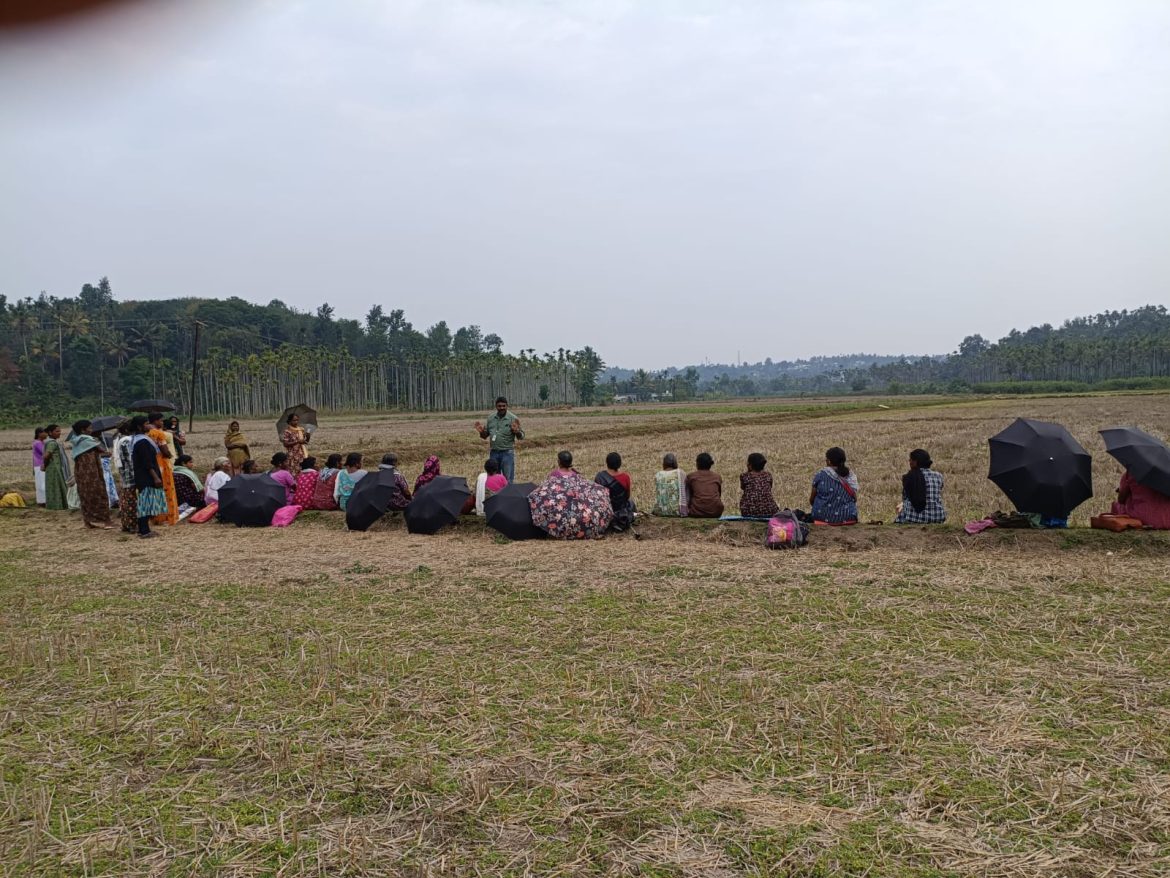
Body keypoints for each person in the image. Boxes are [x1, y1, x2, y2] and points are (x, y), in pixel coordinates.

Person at [69, 420, 114, 529]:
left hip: (81, 472)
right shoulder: (88, 440)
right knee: (99, 493)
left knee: (85, 495)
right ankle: (106, 522)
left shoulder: (76, 441)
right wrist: (106, 451)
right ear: (83, 430)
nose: (92, 430)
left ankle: (87, 521)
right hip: (92, 472)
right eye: (89, 428)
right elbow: (102, 451)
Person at [130, 415, 166, 538]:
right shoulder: (142, 442)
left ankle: (143, 529)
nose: (149, 426)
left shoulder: (137, 439)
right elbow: (147, 462)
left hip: (142, 474)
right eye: (146, 424)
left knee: (145, 502)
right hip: (146, 475)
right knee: (145, 503)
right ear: (139, 426)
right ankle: (144, 531)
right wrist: (155, 477)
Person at [474, 397, 523, 483]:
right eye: (499, 406)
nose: (501, 408)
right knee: (493, 479)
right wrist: (481, 432)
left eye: (504, 406)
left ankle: (507, 492)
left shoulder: (513, 418)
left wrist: (516, 431)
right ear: (496, 406)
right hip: (494, 453)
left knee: (507, 479)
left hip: (507, 453)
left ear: (507, 406)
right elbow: (485, 435)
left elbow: (521, 436)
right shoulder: (491, 418)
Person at [894, 449, 946, 524]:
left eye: (911, 459)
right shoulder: (938, 476)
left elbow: (905, 498)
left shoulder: (909, 477)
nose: (909, 461)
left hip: (914, 519)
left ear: (915, 462)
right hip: (938, 517)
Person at [809, 447, 859, 525]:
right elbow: (855, 499)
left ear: (829, 461)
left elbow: (812, 500)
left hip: (822, 519)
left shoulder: (820, 475)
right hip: (848, 518)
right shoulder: (851, 476)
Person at [147, 412, 178, 525]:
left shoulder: (147, 433)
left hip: (152, 462)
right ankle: (166, 517)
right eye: (161, 420)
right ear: (155, 421)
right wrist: (170, 455)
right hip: (161, 462)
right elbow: (165, 450)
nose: (162, 422)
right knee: (166, 487)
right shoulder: (158, 433)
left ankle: (156, 517)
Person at [595, 451, 636, 531]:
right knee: (631, 502)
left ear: (607, 463)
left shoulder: (600, 477)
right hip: (621, 510)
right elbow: (627, 496)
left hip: (606, 510)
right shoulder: (625, 477)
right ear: (620, 464)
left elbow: (598, 497)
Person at [113, 421, 139, 533]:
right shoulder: (127, 441)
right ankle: (132, 525)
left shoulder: (119, 439)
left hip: (125, 474)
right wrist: (136, 475)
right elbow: (130, 460)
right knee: (131, 501)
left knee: (126, 500)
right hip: (130, 475)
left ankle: (126, 524)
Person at [739, 452, 780, 518]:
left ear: (750, 465)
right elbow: (769, 487)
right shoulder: (768, 475)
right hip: (770, 511)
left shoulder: (745, 476)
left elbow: (743, 487)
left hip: (749, 511)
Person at [685, 452, 724, 518]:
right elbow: (719, 495)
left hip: (696, 512)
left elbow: (688, 496)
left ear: (697, 464)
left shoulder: (691, 477)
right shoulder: (717, 477)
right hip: (716, 512)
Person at [42, 424, 71, 511]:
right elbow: (46, 456)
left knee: (55, 486)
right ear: (50, 432)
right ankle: (58, 506)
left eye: (60, 431)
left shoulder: (51, 442)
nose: (59, 433)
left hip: (54, 468)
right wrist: (45, 465)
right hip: (55, 469)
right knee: (57, 486)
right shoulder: (52, 443)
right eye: (57, 431)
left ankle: (57, 505)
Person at [32, 427, 47, 506]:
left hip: (40, 465)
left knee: (41, 483)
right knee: (42, 484)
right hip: (40, 465)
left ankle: (42, 501)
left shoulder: (41, 442)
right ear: (39, 434)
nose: (46, 434)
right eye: (44, 432)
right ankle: (42, 501)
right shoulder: (38, 443)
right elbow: (45, 452)